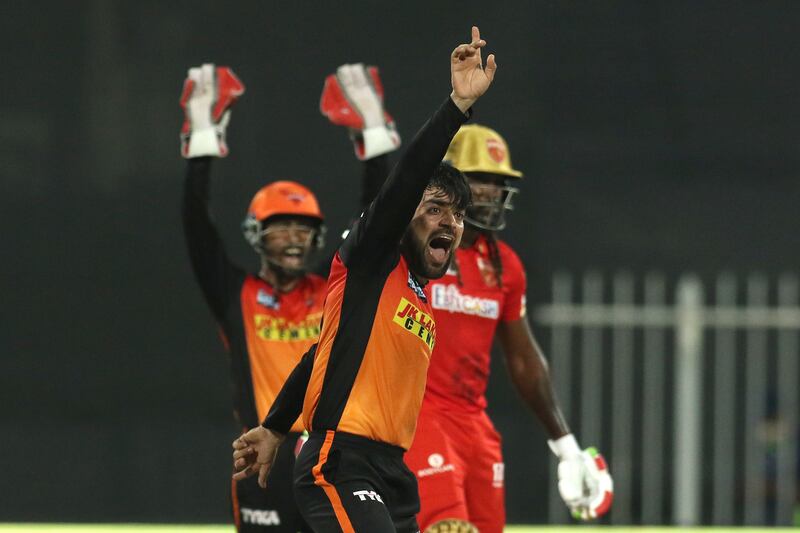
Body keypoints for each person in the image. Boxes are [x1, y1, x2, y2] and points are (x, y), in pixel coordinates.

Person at [321, 73, 614, 532]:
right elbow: (382, 212)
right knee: (447, 528)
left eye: (498, 183)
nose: (491, 194)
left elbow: (523, 358)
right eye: (479, 181)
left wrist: (566, 444)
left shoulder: (506, 266)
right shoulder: (411, 251)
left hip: (475, 424)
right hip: (418, 416)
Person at [231, 26, 494, 533]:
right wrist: (456, 108)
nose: (451, 223)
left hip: (393, 472)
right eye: (436, 208)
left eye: (458, 215)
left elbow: (319, 355)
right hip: (343, 462)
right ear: (402, 217)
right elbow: (405, 181)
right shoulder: (372, 258)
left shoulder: (412, 294)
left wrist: (276, 426)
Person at [180, 64, 326, 532]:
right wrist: (201, 149)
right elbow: (197, 231)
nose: (294, 238)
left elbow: (378, 224)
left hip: (327, 456)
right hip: (260, 456)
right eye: (280, 226)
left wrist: (373, 144)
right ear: (256, 235)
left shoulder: (332, 290)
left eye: (303, 229)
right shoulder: (236, 293)